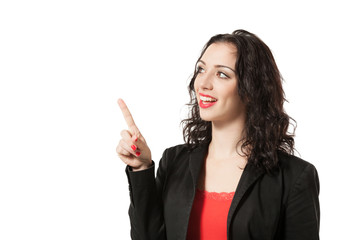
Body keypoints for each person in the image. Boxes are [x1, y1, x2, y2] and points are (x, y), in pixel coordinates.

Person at [116, 29, 320, 240]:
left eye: (222, 74)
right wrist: (141, 168)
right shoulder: (174, 161)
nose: (203, 83)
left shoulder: (295, 176)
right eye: (201, 69)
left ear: (251, 89)